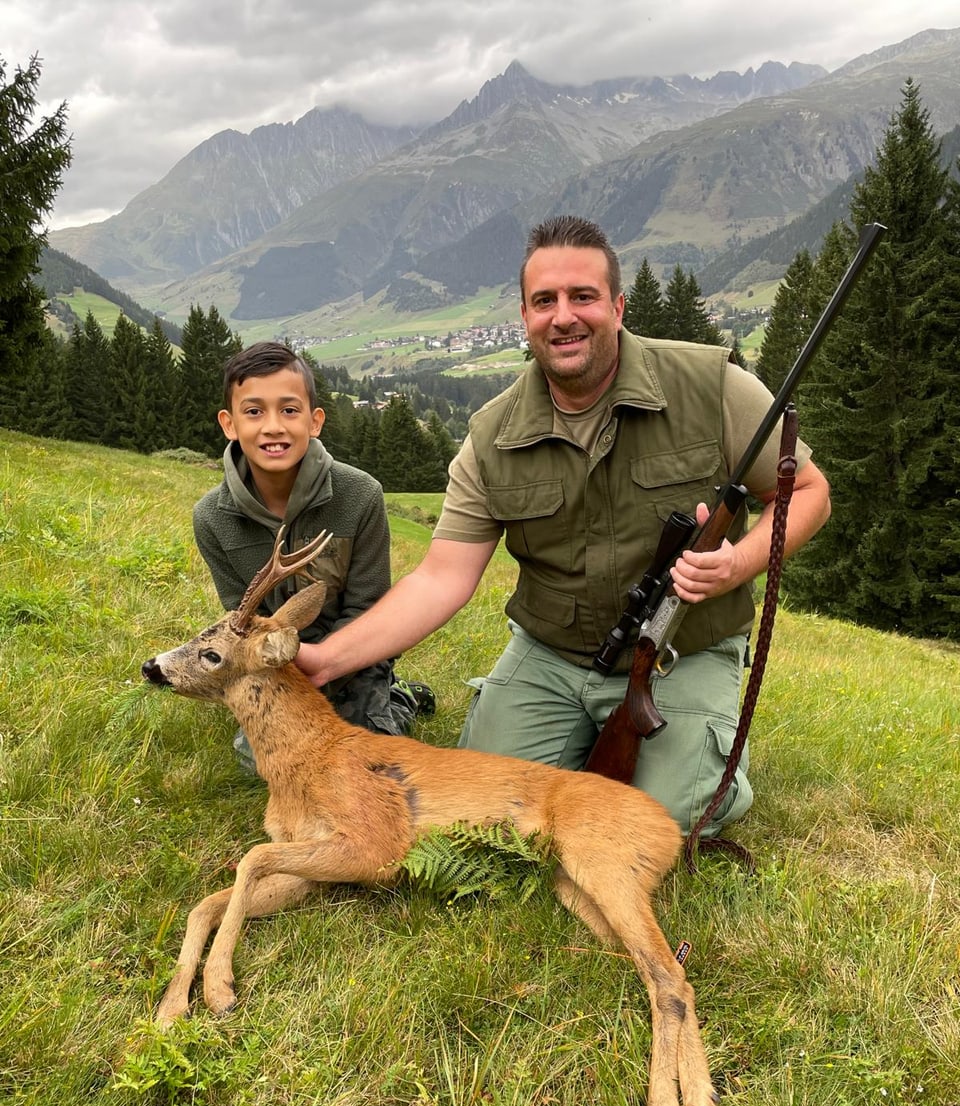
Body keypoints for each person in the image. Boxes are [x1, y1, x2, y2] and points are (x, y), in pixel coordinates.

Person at [294, 217, 831, 835]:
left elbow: (808, 492)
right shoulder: (492, 434)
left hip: (682, 647)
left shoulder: (711, 387)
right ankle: (559, 728)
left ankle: (710, 768)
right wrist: (327, 659)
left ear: (618, 305)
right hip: (553, 652)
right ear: (524, 316)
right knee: (478, 817)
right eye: (544, 301)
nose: (564, 316)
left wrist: (738, 563)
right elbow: (442, 576)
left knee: (662, 821)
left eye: (583, 296)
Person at [193, 340, 434, 773]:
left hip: (356, 654)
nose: (273, 427)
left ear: (314, 420)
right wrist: (284, 664)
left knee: (368, 763)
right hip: (278, 665)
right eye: (253, 411)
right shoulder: (212, 517)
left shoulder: (360, 496)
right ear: (228, 424)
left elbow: (369, 608)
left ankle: (397, 699)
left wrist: (332, 663)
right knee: (260, 763)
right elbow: (239, 620)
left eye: (289, 410)